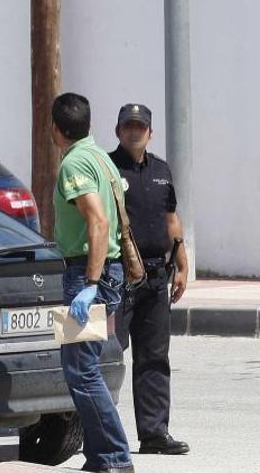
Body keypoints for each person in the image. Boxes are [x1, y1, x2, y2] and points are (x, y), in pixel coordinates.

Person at [51, 92, 133, 473]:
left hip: (87, 272)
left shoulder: (75, 163)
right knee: (87, 369)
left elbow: (98, 221)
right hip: (101, 270)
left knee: (81, 371)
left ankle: (113, 456)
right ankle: (103, 455)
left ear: (55, 128)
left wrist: (89, 283)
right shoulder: (100, 156)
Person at [109, 104, 190, 455]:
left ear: (150, 133)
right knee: (107, 355)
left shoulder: (161, 170)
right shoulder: (108, 168)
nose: (134, 132)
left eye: (140, 126)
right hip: (120, 278)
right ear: (118, 131)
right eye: (128, 126)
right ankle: (97, 433)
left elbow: (171, 218)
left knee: (154, 358)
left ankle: (154, 433)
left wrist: (183, 264)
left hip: (158, 277)